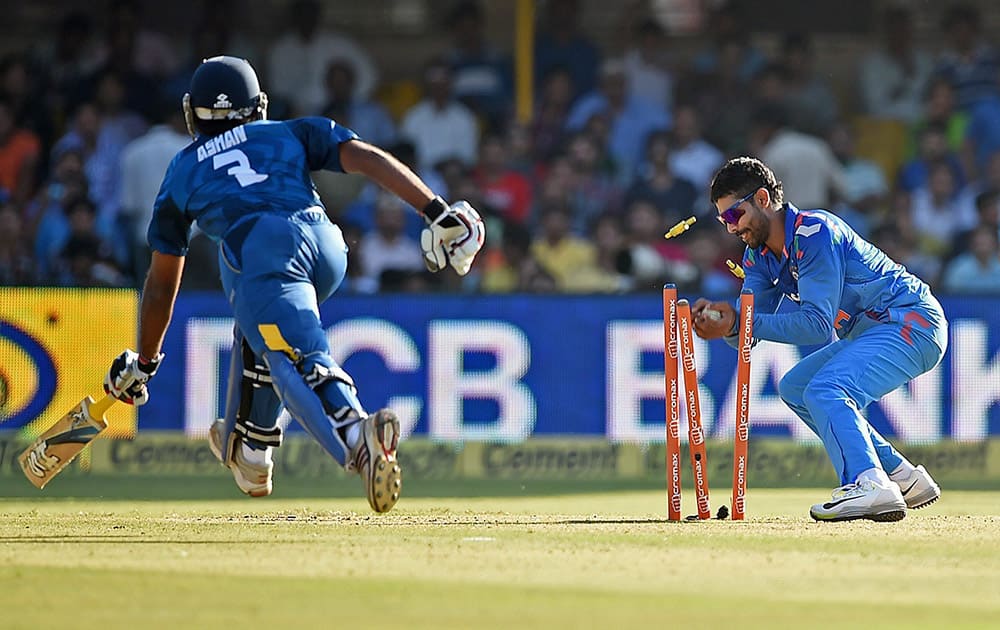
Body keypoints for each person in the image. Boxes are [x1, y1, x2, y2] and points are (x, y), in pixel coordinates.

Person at [102, 56, 485, 513]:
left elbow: (163, 283)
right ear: (256, 105)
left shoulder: (182, 169)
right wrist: (435, 210)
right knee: (262, 326)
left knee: (289, 344)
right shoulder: (287, 130)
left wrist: (144, 361)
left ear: (194, 113)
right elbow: (366, 157)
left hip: (262, 249)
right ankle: (251, 448)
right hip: (325, 243)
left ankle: (353, 430)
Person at [692, 156, 947, 523]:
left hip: (910, 322)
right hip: (874, 331)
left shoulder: (815, 232)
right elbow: (746, 336)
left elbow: (815, 326)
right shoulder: (758, 257)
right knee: (797, 387)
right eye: (723, 221)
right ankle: (900, 477)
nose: (731, 229)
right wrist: (723, 323)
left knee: (826, 388)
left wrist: (741, 321)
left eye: (734, 215)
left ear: (762, 199)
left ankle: (868, 482)